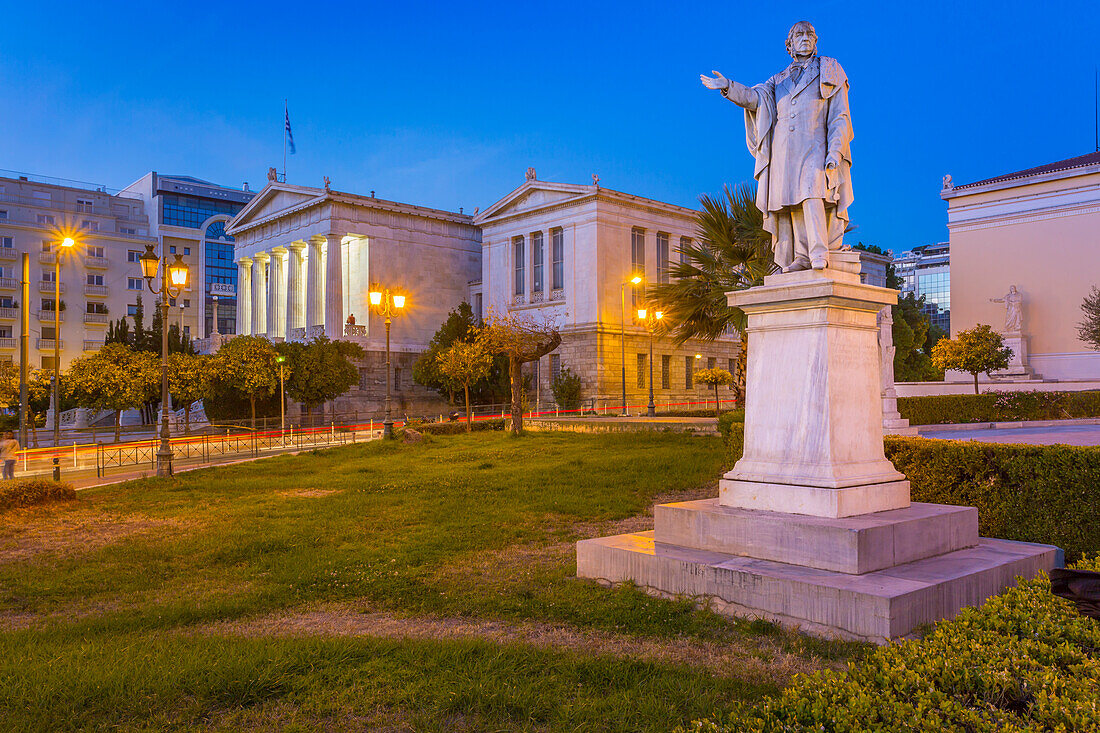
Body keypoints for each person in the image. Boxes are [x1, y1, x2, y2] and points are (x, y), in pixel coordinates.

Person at [701, 20, 854, 272]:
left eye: (809, 34)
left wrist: (835, 151)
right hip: (783, 151)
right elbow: (753, 99)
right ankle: (802, 256)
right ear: (789, 44)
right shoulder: (777, 80)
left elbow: (839, 115)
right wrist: (728, 86)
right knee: (791, 201)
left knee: (811, 193)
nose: (804, 38)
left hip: (815, 145)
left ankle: (819, 251)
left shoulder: (829, 69)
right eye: (798, 35)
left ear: (815, 41)